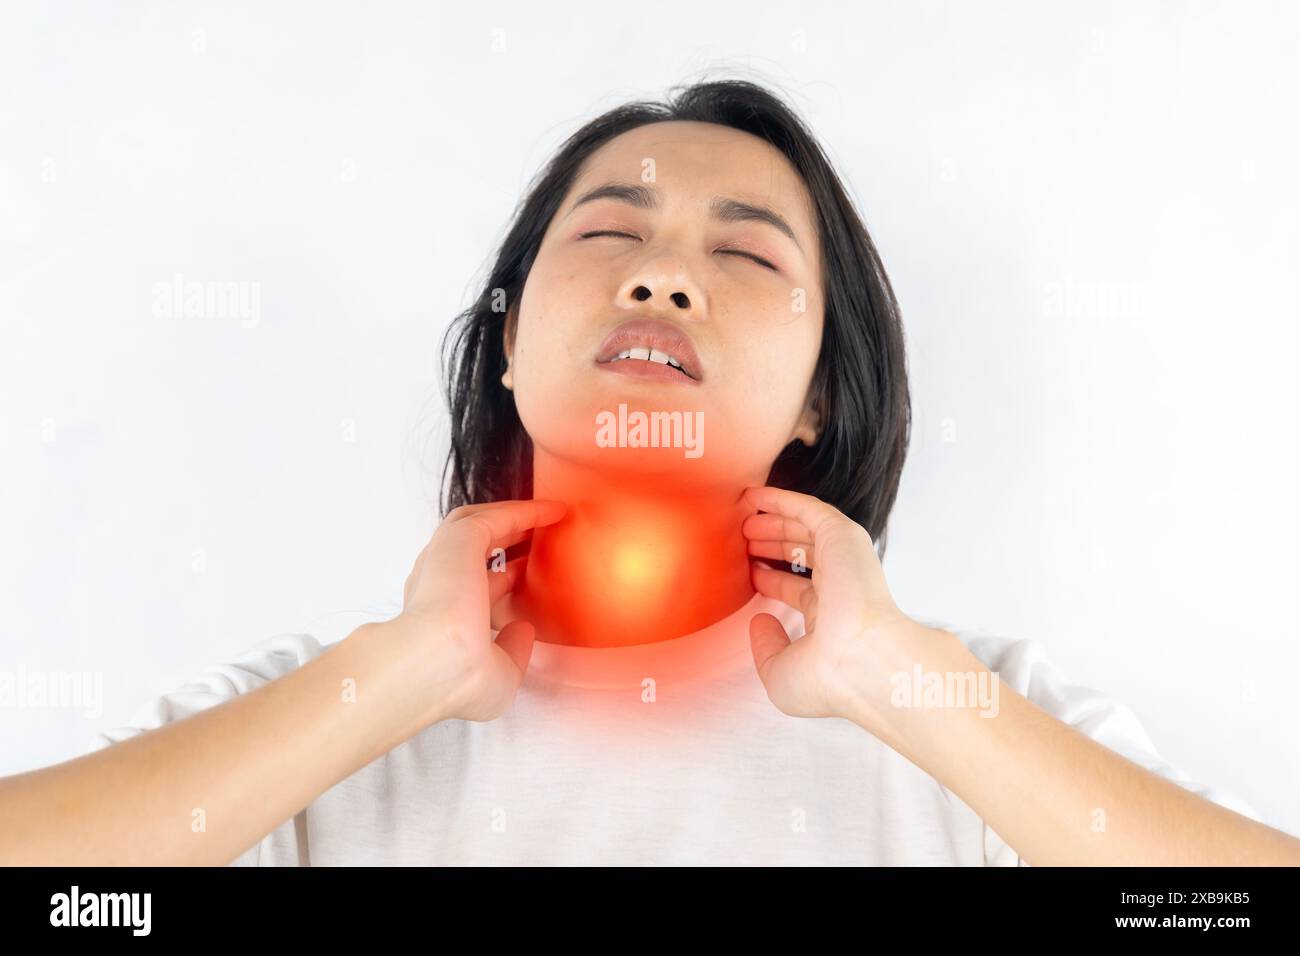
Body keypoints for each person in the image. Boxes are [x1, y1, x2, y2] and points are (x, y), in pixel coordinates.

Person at [3, 78, 1297, 866]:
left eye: (747, 257)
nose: (661, 275)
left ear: (821, 397)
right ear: (507, 347)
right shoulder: (323, 722)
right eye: (612, 229)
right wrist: (392, 676)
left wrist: (899, 681)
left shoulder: (972, 712)